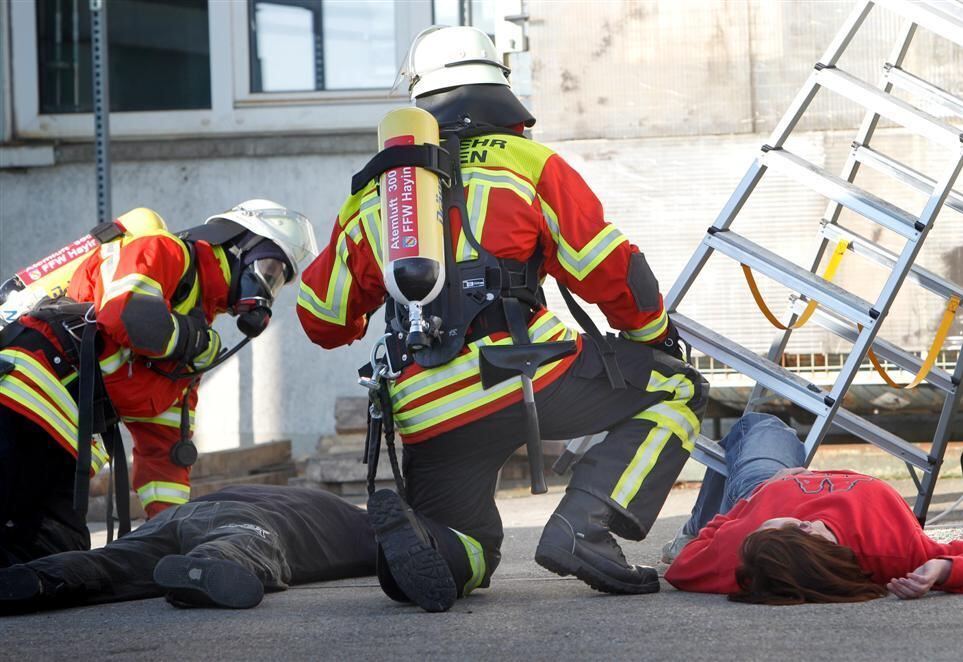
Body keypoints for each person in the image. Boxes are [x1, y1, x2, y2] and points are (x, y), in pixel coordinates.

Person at [298, 26, 707, 612]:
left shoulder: (380, 193)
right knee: (677, 388)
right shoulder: (527, 162)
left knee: (469, 546)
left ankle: (429, 550)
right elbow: (612, 271)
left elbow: (321, 317)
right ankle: (583, 528)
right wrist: (652, 335)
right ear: (499, 91)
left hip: (426, 406)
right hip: (524, 375)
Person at [1, 200, 318, 565]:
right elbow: (128, 313)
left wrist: (171, 534)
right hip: (21, 398)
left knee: (56, 554)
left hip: (63, 438)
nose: (267, 287)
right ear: (236, 244)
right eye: (269, 268)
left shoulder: (196, 337)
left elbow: (164, 451)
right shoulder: (165, 250)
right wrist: (190, 340)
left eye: (278, 280)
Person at [663, 413, 963, 603]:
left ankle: (697, 525)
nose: (767, 523)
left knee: (759, 425)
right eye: (779, 526)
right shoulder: (894, 553)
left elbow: (681, 570)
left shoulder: (744, 550)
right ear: (807, 533)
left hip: (760, 485)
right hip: (779, 491)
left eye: (762, 527)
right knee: (770, 434)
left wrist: (738, 512)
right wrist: (944, 569)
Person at [0, 484, 376, 615]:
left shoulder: (322, 505)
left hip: (180, 514)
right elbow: (415, 540)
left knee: (109, 561)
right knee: (246, 545)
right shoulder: (360, 525)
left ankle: (37, 578)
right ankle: (202, 568)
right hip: (247, 517)